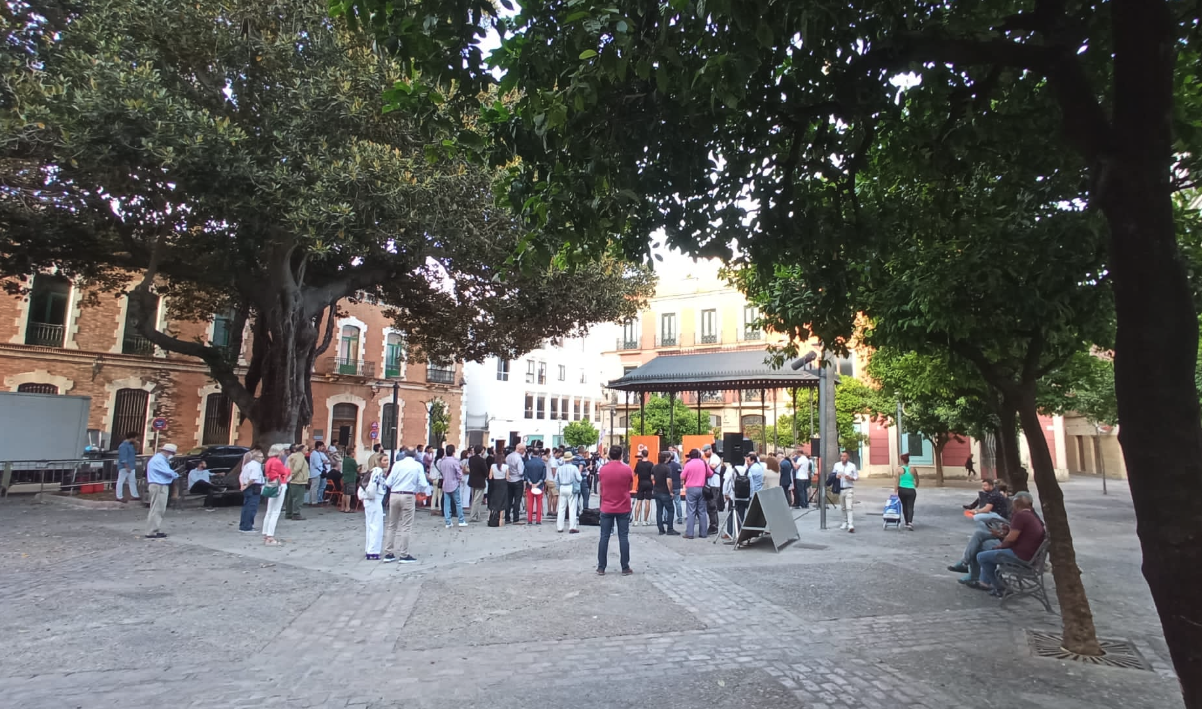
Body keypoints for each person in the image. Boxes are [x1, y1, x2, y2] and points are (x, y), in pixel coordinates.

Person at [973, 492, 1045, 596]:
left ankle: (1000, 587)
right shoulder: (1032, 516)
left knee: (981, 556)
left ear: (1016, 504)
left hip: (1021, 556)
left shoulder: (1021, 515)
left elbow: (1011, 538)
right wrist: (1005, 533)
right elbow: (1016, 535)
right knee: (989, 551)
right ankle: (985, 582)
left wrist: (1000, 545)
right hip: (1030, 555)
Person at [948, 479, 1013, 579]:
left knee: (978, 546)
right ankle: (966, 565)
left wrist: (976, 512)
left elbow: (1012, 537)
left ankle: (972, 572)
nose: (983, 488)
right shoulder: (1019, 513)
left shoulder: (994, 495)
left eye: (986, 486)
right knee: (978, 536)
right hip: (1002, 532)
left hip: (1009, 546)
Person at [382, 448, 431, 563]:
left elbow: (388, 482)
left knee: (392, 525)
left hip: (394, 494)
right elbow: (423, 484)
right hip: (408, 495)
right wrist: (419, 490)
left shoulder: (397, 465)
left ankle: (389, 553)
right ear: (414, 455)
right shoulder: (417, 465)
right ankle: (404, 554)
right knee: (406, 525)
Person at [596, 445, 634, 575]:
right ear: (621, 455)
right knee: (623, 537)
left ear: (610, 455)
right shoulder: (627, 469)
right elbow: (630, 486)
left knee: (604, 537)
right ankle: (625, 567)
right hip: (623, 506)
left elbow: (601, 487)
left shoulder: (603, 470)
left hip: (606, 506)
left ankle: (601, 567)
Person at [144, 443, 179, 538]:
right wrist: (175, 474)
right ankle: (152, 531)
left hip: (158, 485)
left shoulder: (159, 459)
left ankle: (154, 529)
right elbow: (168, 472)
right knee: (158, 509)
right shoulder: (159, 460)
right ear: (168, 452)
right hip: (159, 485)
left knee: (157, 508)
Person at [261, 444, 290, 546]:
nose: (283, 452)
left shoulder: (269, 461)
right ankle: (270, 536)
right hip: (279, 485)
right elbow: (285, 471)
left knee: (269, 511)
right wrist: (287, 471)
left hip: (271, 484)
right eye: (282, 450)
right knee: (275, 511)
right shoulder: (277, 462)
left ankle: (266, 534)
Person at [360, 457, 387, 560]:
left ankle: (369, 549)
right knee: (376, 526)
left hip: (371, 500)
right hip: (374, 500)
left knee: (370, 525)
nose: (387, 462)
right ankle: (373, 551)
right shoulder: (378, 471)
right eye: (384, 460)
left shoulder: (372, 471)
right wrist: (371, 495)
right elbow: (373, 485)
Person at [681, 448, 710, 539]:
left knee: (691, 511)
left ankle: (690, 533)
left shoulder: (688, 464)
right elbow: (710, 473)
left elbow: (682, 476)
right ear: (698, 455)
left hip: (691, 489)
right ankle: (703, 533)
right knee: (702, 511)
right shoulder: (703, 463)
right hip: (702, 489)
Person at [438, 444, 466, 527]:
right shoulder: (455, 461)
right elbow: (459, 473)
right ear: (453, 452)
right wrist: (459, 479)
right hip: (454, 483)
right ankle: (461, 520)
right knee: (458, 502)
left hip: (445, 483)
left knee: (446, 504)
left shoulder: (442, 461)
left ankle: (448, 522)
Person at [238, 448, 265, 533]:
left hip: (248, 487)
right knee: (251, 507)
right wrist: (246, 486)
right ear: (256, 457)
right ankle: (247, 526)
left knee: (246, 506)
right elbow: (253, 478)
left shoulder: (248, 465)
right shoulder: (256, 466)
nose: (263, 458)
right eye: (261, 457)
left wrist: (242, 485)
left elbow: (241, 476)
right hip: (254, 487)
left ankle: (244, 525)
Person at [651, 451, 678, 535]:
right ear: (666, 458)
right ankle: (670, 528)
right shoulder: (667, 468)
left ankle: (661, 529)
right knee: (670, 510)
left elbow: (652, 478)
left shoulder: (654, 467)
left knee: (659, 510)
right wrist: (671, 492)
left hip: (656, 491)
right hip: (665, 492)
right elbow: (669, 481)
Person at [555, 451, 582, 533]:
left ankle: (560, 527)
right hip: (571, 487)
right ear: (571, 459)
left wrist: (558, 488)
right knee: (572, 508)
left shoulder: (559, 468)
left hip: (562, 487)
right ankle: (572, 527)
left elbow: (555, 480)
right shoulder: (574, 468)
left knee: (561, 508)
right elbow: (579, 478)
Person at [832, 451, 858, 532]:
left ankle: (850, 524)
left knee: (849, 507)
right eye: (841, 456)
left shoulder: (852, 466)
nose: (843, 458)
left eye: (844, 456)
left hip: (849, 488)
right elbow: (832, 474)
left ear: (848, 457)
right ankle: (844, 522)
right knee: (843, 507)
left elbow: (856, 476)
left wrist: (850, 478)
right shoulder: (837, 465)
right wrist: (836, 476)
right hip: (840, 489)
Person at [285, 443, 309, 521]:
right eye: (306, 449)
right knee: (298, 498)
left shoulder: (292, 456)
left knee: (290, 498)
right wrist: (292, 475)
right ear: (302, 449)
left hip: (293, 480)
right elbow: (298, 468)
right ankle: (296, 514)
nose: (307, 451)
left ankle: (289, 513)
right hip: (299, 480)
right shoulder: (300, 457)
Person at [523, 447, 547, 525]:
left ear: (532, 453)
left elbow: (525, 475)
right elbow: (543, 476)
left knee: (530, 502)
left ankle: (529, 520)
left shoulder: (527, 463)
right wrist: (537, 483)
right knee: (539, 503)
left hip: (530, 486)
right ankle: (538, 520)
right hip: (539, 486)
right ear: (539, 453)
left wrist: (530, 482)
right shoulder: (542, 463)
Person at [116, 432, 140, 503]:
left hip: (131, 465)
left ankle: (135, 495)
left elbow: (135, 453)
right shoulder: (123, 446)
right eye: (135, 438)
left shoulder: (131, 445)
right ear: (132, 438)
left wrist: (137, 446)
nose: (136, 439)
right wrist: (126, 466)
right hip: (125, 466)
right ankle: (119, 496)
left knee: (132, 481)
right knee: (121, 481)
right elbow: (123, 457)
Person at [896, 453, 918, 530]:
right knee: (910, 506)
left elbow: (897, 481)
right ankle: (910, 522)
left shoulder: (899, 469)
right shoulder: (913, 469)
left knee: (904, 506)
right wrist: (916, 485)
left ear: (902, 460)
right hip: (911, 490)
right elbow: (917, 479)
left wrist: (895, 490)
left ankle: (906, 522)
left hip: (902, 490)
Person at [468, 445, 489, 522]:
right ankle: (473, 516)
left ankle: (477, 515)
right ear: (481, 451)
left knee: (474, 498)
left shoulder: (471, 459)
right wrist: (487, 476)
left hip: (472, 480)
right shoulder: (482, 460)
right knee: (477, 500)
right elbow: (485, 471)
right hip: (480, 481)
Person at [505, 444, 526, 524]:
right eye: (523, 450)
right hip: (517, 480)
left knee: (509, 499)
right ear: (520, 449)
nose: (524, 452)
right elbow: (520, 472)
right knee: (517, 500)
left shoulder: (508, 456)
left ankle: (507, 517)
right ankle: (516, 518)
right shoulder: (519, 459)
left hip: (509, 480)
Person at [633, 449, 654, 526]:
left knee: (639, 501)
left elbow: (634, 474)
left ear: (642, 455)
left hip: (641, 483)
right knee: (647, 502)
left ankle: (636, 520)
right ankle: (645, 520)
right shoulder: (651, 464)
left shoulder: (638, 464)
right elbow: (652, 477)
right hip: (649, 483)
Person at [488, 452, 509, 527]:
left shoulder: (493, 466)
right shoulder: (506, 466)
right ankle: (500, 520)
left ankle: (490, 518)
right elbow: (507, 477)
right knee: (502, 501)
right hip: (503, 484)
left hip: (495, 483)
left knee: (494, 500)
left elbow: (490, 477)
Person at [308, 441, 329, 505]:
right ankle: (313, 501)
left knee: (315, 487)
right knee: (315, 487)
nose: (323, 447)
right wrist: (323, 463)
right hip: (316, 472)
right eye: (322, 446)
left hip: (317, 472)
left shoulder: (317, 453)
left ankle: (313, 500)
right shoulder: (315, 454)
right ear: (319, 446)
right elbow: (317, 464)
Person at [339, 444, 358, 513]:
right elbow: (357, 468)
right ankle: (348, 508)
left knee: (344, 493)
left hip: (345, 478)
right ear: (351, 453)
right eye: (354, 453)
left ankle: (342, 507)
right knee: (349, 494)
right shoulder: (352, 460)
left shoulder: (345, 460)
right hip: (351, 477)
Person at [669, 451, 684, 525]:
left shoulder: (667, 465)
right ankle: (680, 518)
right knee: (678, 502)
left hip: (669, 486)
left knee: (668, 503)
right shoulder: (678, 465)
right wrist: (681, 484)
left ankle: (667, 518)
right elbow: (681, 476)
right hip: (677, 485)